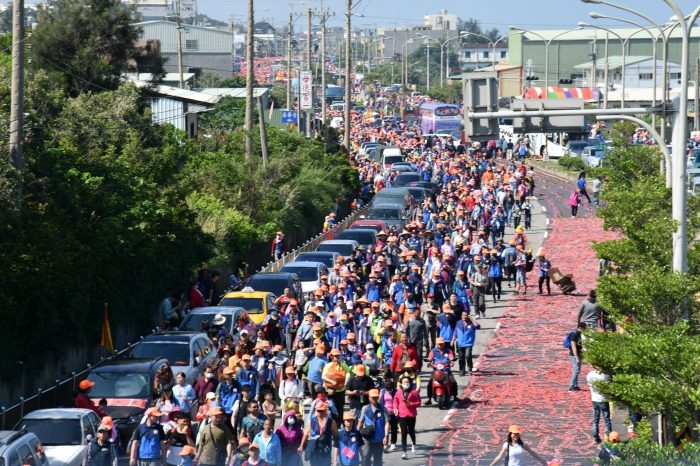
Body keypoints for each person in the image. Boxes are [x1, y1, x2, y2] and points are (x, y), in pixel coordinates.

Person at [299, 402, 338, 466]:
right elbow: (305, 434)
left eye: (322, 411)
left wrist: (336, 455)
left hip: (326, 450)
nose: (320, 412)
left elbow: (336, 436)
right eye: (318, 410)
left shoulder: (331, 422)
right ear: (315, 410)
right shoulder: (312, 421)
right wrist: (301, 446)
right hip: (314, 450)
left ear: (325, 410)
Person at [357, 389, 389, 466]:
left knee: (378, 460)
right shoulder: (365, 408)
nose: (374, 399)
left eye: (375, 397)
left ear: (378, 397)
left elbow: (387, 423)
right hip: (368, 439)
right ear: (369, 398)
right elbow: (360, 422)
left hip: (379, 439)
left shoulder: (382, 409)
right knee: (366, 458)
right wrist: (356, 434)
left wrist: (386, 436)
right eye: (372, 397)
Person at [393, 377, 421, 459]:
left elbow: (419, 402)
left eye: (407, 382)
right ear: (401, 383)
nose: (406, 383)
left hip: (411, 414)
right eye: (404, 382)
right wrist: (395, 408)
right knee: (403, 433)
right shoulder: (398, 392)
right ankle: (404, 452)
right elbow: (395, 400)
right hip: (402, 415)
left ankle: (413, 443)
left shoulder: (414, 392)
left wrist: (411, 404)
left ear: (410, 383)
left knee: (411, 431)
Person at [587, 367, 612, 444]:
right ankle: (609, 436)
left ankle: (596, 437)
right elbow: (609, 385)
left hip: (594, 399)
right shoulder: (603, 376)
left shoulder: (589, 374)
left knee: (596, 419)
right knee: (607, 419)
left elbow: (588, 383)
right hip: (603, 400)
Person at [568, 322, 587, 392]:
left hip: (579, 354)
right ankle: (571, 386)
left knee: (578, 370)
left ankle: (575, 385)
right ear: (580, 328)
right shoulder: (574, 335)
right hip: (574, 355)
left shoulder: (579, 334)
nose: (585, 330)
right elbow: (573, 347)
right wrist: (576, 357)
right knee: (576, 370)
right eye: (584, 328)